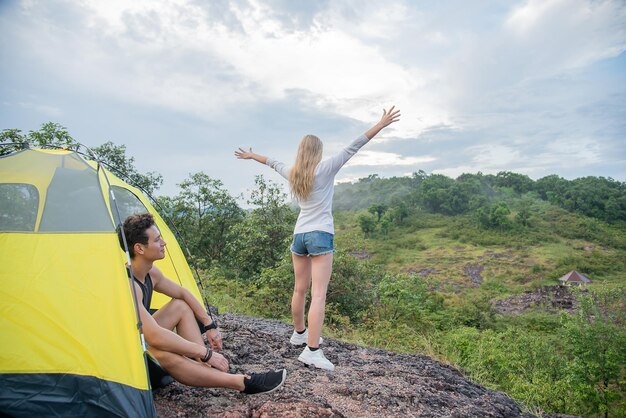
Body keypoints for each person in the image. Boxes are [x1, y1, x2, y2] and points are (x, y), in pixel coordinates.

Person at [235, 106, 401, 371]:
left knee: (300, 288)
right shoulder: (325, 169)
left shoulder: (293, 173)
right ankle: (312, 350)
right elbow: (354, 145)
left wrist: (250, 155)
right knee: (319, 294)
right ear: (318, 152)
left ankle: (299, 333)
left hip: (299, 235)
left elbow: (271, 161)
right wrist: (380, 124)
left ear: (301, 152)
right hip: (321, 234)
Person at [117, 213, 286, 394]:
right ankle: (242, 383)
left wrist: (209, 325)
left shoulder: (151, 273)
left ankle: (203, 368)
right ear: (139, 249)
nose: (164, 243)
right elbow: (154, 336)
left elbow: (183, 293)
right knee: (159, 354)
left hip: (136, 341)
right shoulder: (129, 285)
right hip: (124, 359)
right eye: (157, 240)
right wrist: (205, 352)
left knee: (180, 306)